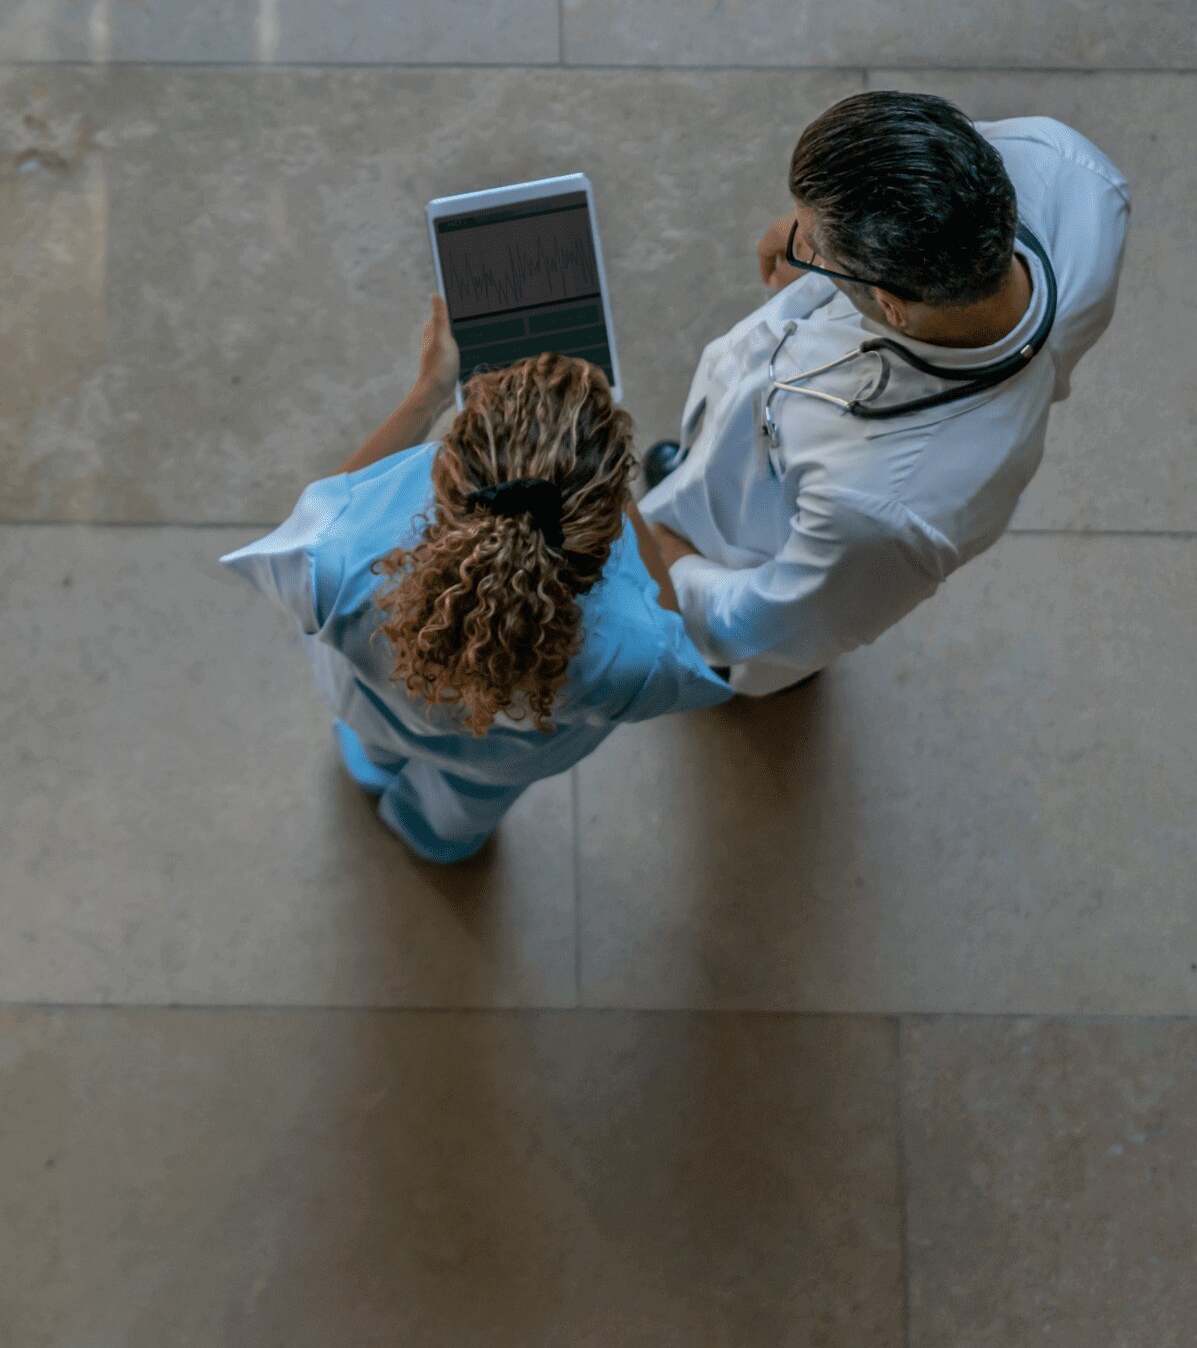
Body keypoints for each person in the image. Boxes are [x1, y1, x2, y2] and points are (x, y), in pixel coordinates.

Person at [634, 91, 1131, 696]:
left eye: (811, 242)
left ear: (893, 306)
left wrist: (663, 556)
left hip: (762, 553)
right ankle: (691, 474)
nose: (786, 241)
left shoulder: (876, 510)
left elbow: (761, 622)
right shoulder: (1067, 169)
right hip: (775, 441)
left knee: (744, 624)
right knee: (706, 460)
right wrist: (810, 228)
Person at [222, 303, 729, 863]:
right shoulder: (637, 653)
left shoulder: (341, 557)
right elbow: (674, 638)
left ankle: (371, 770)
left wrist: (428, 393)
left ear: (445, 470)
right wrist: (618, 497)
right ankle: (434, 839)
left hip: (375, 711)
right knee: (464, 806)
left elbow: (322, 516)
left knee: (371, 746)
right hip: (502, 762)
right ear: (600, 520)